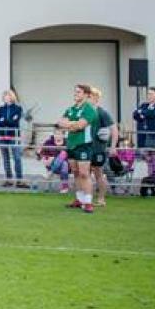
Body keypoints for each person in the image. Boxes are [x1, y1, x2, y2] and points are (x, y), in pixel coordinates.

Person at [57, 84, 99, 214]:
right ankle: (79, 199)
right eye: (75, 92)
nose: (76, 94)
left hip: (84, 145)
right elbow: (60, 123)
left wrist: (69, 124)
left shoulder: (89, 109)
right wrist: (71, 125)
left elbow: (80, 126)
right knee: (75, 172)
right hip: (71, 144)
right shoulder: (71, 109)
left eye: (79, 92)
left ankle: (88, 202)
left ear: (86, 95)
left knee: (84, 174)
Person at [0, 89, 27, 188]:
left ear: (12, 97)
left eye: (8, 95)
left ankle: (19, 180)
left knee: (17, 157)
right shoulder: (1, 109)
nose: (6, 97)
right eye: (4, 96)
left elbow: (14, 122)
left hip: (13, 136)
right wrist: (7, 121)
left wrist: (5, 121)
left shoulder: (18, 108)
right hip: (2, 136)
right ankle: (9, 179)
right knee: (5, 158)